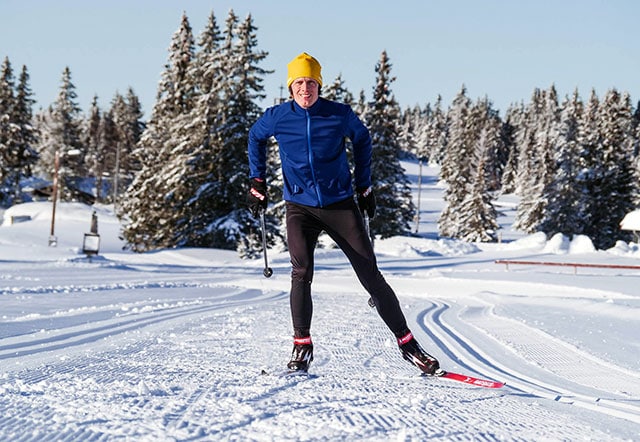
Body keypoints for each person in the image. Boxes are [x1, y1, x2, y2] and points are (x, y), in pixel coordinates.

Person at [247, 52, 440, 375]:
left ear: (319, 85)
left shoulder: (339, 115)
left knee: (370, 274)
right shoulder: (278, 117)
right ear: (290, 86)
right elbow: (255, 137)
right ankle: (302, 346)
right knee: (301, 271)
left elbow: (362, 139)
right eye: (299, 83)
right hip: (300, 206)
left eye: (310, 82)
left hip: (340, 204)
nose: (305, 89)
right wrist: (257, 182)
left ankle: (409, 345)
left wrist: (365, 186)